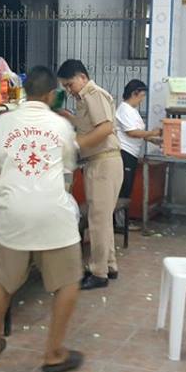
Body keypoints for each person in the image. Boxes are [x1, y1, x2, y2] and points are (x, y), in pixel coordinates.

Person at [0, 66, 84, 372]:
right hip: (53, 214)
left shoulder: (2, 123)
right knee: (67, 281)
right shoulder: (60, 125)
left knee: (3, 282)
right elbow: (68, 166)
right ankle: (53, 352)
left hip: (14, 214)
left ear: (26, 92)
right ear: (51, 95)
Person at [56, 59, 123, 290]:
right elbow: (90, 125)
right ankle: (109, 265)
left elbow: (105, 128)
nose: (69, 90)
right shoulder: (84, 98)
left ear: (82, 77)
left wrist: (76, 144)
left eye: (70, 84)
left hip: (103, 162)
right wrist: (68, 117)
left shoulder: (93, 94)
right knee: (103, 218)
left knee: (97, 220)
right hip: (101, 162)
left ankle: (98, 272)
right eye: (65, 86)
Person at [115, 80, 162, 220]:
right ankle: (119, 223)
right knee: (123, 189)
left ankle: (122, 222)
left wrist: (153, 139)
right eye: (141, 96)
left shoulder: (133, 110)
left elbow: (139, 132)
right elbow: (132, 132)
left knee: (127, 188)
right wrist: (152, 133)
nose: (142, 99)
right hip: (124, 153)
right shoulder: (124, 109)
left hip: (132, 154)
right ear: (134, 93)